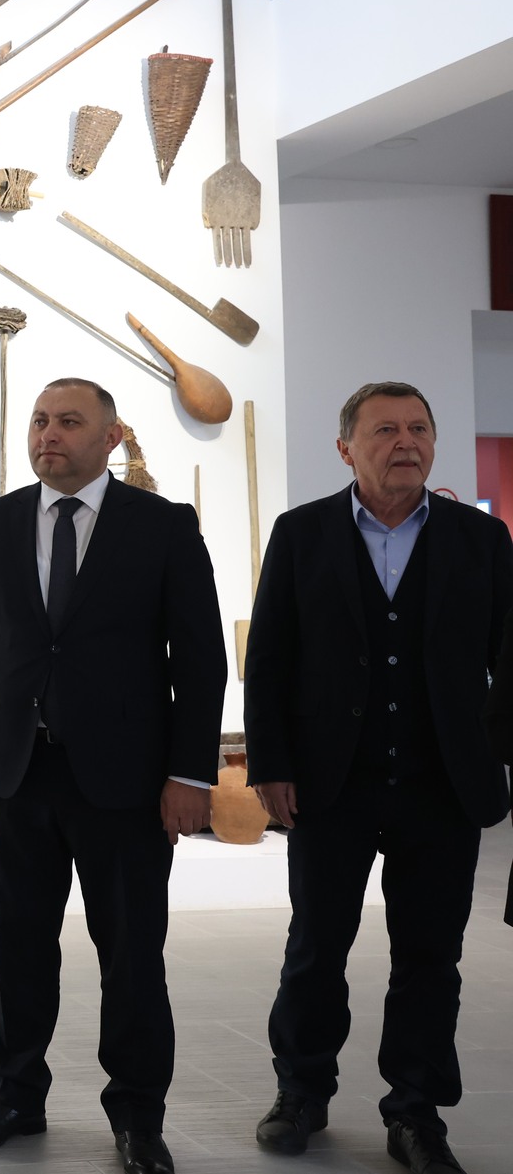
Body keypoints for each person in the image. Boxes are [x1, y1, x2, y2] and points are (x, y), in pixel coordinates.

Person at [0, 378, 226, 1174]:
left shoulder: (162, 525)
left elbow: (201, 658)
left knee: (131, 952)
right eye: (39, 421)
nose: (48, 435)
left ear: (111, 437)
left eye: (69, 421)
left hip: (127, 780)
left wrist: (191, 773)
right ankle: (13, 1094)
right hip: (20, 770)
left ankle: (137, 1114)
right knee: (20, 945)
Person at [245, 381, 512, 1174]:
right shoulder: (301, 533)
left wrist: (496, 753)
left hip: (442, 785)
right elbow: (269, 660)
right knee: (316, 946)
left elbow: (512, 656)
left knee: (430, 956)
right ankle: (301, 1091)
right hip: (330, 784)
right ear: (345, 448)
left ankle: (416, 1112)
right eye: (386, 429)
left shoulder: (481, 538)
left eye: (419, 428)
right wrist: (271, 765)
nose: (407, 442)